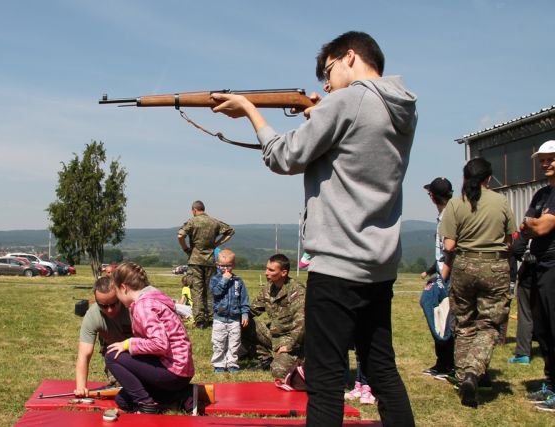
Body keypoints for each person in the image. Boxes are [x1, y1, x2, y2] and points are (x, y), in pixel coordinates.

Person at [212, 31, 416, 426]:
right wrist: (321, 115)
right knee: (381, 369)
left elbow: (283, 157)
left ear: (350, 57)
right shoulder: (400, 106)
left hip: (338, 264)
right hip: (379, 264)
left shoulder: (348, 102)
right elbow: (356, 146)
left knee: (323, 379)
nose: (326, 82)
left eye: (328, 70)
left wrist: (250, 110)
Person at [439, 158, 516, 408]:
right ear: (489, 178)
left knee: (464, 323)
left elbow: (449, 245)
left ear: (465, 177)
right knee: (489, 325)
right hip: (495, 267)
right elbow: (510, 241)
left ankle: (463, 378)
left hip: (464, 265)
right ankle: (473, 372)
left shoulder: (456, 203)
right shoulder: (501, 201)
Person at [105, 262, 194, 414]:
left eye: (117, 293)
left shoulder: (143, 306)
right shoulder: (153, 298)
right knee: (123, 401)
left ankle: (147, 405)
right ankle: (181, 395)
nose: (118, 298)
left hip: (173, 370)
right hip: (181, 371)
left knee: (112, 356)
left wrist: (128, 344)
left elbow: (159, 344)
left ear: (124, 288)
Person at [521, 140, 555, 411]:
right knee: (542, 329)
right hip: (538, 266)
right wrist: (533, 223)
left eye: (551, 159)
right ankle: (551, 383)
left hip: (554, 265)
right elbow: (526, 225)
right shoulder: (542, 194)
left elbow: (542, 228)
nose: (546, 164)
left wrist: (535, 223)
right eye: (542, 160)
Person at [243, 254, 305, 380]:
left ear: (283, 273)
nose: (266, 273)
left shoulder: (297, 291)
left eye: (271, 270)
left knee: (279, 371)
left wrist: (289, 346)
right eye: (266, 269)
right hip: (274, 334)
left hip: (291, 339)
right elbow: (253, 310)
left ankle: (300, 360)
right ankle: (265, 359)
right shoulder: (268, 288)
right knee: (242, 323)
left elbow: (302, 323)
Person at [178, 200, 235, 329]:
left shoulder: (192, 221)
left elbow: (180, 236)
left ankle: (200, 320)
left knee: (197, 290)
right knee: (210, 289)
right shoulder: (214, 222)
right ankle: (211, 318)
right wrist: (217, 243)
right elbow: (231, 231)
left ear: (194, 210)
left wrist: (186, 248)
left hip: (195, 260)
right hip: (210, 260)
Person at [419, 177, 455, 380]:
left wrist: (442, 278)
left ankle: (446, 363)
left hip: (447, 277)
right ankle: (444, 362)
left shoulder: (449, 217)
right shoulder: (448, 214)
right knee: (440, 314)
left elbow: (450, 250)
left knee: (441, 316)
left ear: (432, 196)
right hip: (443, 274)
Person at [74, 276, 132, 398]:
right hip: (114, 354)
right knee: (123, 387)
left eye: (113, 304)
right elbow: (84, 354)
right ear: (96, 301)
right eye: (103, 306)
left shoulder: (133, 309)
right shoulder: (92, 316)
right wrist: (81, 387)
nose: (109, 310)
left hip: (141, 351)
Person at [209, 248, 250, 373]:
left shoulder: (238, 281)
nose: (226, 269)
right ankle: (219, 364)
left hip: (234, 318)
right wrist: (224, 280)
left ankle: (232, 363)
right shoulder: (215, 280)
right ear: (217, 265)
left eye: (229, 266)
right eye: (222, 266)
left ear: (234, 265)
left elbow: (244, 299)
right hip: (219, 318)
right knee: (218, 342)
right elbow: (216, 292)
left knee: (234, 342)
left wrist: (245, 313)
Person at [508, 232, 533, 365]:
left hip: (530, 272)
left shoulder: (531, 225)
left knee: (525, 314)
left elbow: (517, 249)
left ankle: (523, 354)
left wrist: (525, 257)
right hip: (550, 272)